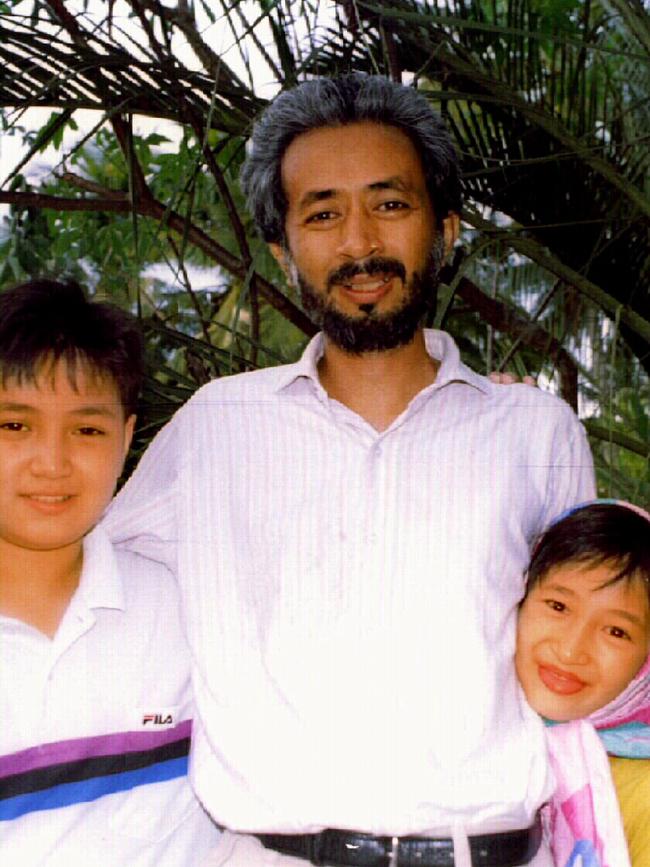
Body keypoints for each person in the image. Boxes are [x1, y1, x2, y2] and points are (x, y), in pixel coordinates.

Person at [104, 73, 596, 867]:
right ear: (282, 247)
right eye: (323, 213)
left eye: (390, 203)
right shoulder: (213, 431)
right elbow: (75, 578)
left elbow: (596, 653)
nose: (359, 242)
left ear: (445, 230)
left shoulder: (536, 433)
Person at [0, 280, 220, 865]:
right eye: (15, 426)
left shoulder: (184, 609)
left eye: (87, 430)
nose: (53, 463)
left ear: (126, 439)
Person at [516, 500, 650, 866]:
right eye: (558, 606)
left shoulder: (643, 793)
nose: (572, 650)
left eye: (616, 631)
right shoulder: (471, 747)